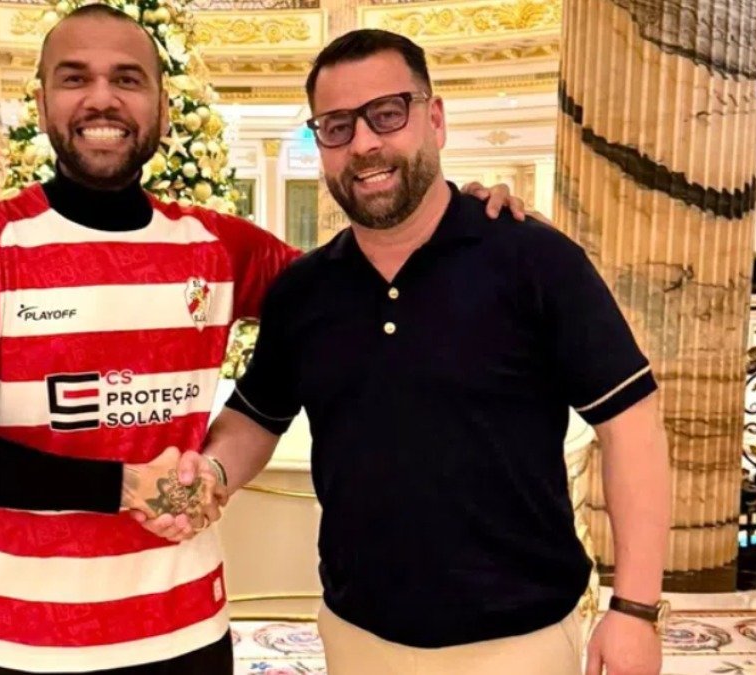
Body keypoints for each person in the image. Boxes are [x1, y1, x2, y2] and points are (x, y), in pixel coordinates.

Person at [0, 7, 529, 675]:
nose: (102, 98)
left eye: (127, 79)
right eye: (74, 78)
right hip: (25, 640)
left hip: (188, 630)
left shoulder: (219, 246)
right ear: (41, 102)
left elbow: (365, 283)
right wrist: (125, 486)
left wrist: (464, 223)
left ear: (162, 109)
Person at [149, 29, 672, 675]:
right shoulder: (305, 290)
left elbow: (631, 426)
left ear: (435, 118)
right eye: (337, 126)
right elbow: (257, 417)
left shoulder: (533, 260)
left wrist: (635, 609)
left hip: (519, 642)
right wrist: (210, 475)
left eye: (387, 113)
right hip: (357, 635)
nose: (364, 143)